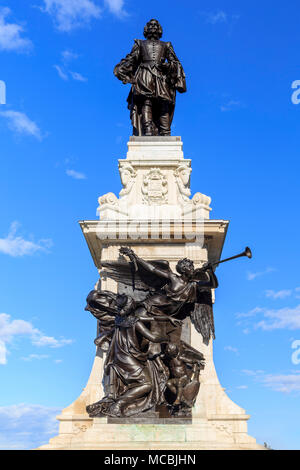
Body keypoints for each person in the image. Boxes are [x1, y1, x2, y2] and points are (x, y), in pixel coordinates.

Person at [114, 18, 186, 136]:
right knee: (146, 102)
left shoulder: (166, 45)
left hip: (161, 77)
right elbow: (132, 59)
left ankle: (165, 131)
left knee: (164, 103)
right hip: (144, 75)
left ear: (159, 29)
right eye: (150, 25)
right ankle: (147, 130)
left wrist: (167, 65)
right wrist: (123, 69)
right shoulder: (139, 43)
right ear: (146, 29)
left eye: (155, 25)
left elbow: (176, 63)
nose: (153, 27)